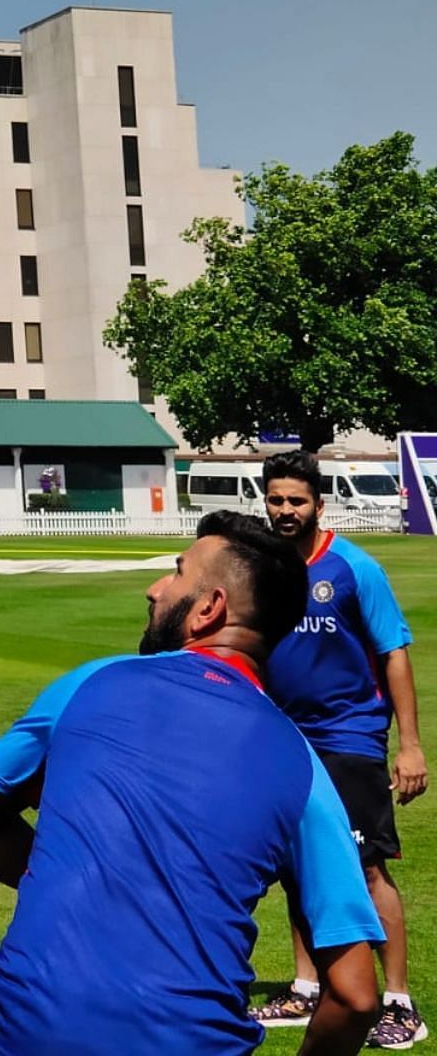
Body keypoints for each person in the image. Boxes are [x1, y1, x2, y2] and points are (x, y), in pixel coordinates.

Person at [0, 511, 383, 1056]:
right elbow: (355, 997)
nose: (155, 588)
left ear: (209, 609)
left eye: (177, 573)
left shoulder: (94, 683)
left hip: (16, 1034)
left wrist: (86, 892)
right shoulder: (304, 767)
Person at [249, 449, 427, 1049]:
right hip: (282, 738)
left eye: (296, 500)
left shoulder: (353, 567)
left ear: (319, 504)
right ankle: (306, 988)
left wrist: (410, 746)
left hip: (349, 736)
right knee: (295, 866)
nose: (285, 510)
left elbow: (394, 652)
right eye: (275, 500)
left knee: (367, 865)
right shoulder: (264, 569)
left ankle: (399, 1000)